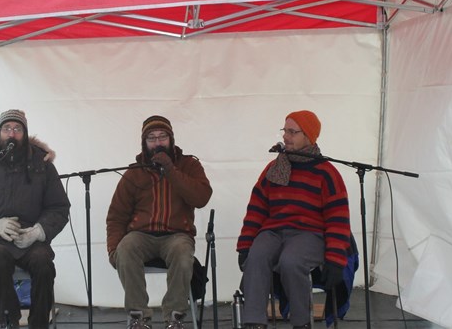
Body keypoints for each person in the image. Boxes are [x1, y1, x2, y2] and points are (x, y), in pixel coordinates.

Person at [0, 109, 70, 329]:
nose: (12, 133)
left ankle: (39, 324)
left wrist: (39, 231)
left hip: (29, 238)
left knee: (43, 264)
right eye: (6, 129)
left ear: (25, 134)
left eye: (17, 129)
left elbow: (58, 207)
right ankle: (9, 321)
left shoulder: (42, 166)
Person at [236, 110, 351, 329]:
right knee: (256, 256)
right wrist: (245, 246)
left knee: (292, 261)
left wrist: (336, 259)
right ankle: (254, 323)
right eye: (285, 130)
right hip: (274, 231)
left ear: (308, 136)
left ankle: (301, 323)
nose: (285, 136)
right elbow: (256, 209)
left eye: (292, 132)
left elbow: (338, 219)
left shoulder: (326, 173)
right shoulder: (274, 169)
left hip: (310, 234)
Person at [106, 115, 213, 329]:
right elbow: (117, 216)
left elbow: (201, 198)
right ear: (144, 144)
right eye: (151, 138)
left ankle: (174, 318)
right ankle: (139, 318)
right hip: (141, 235)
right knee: (126, 248)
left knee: (183, 253)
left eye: (162, 136)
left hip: (177, 235)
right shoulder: (135, 173)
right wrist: (113, 249)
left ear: (171, 139)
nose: (157, 143)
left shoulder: (189, 165)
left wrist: (171, 170)